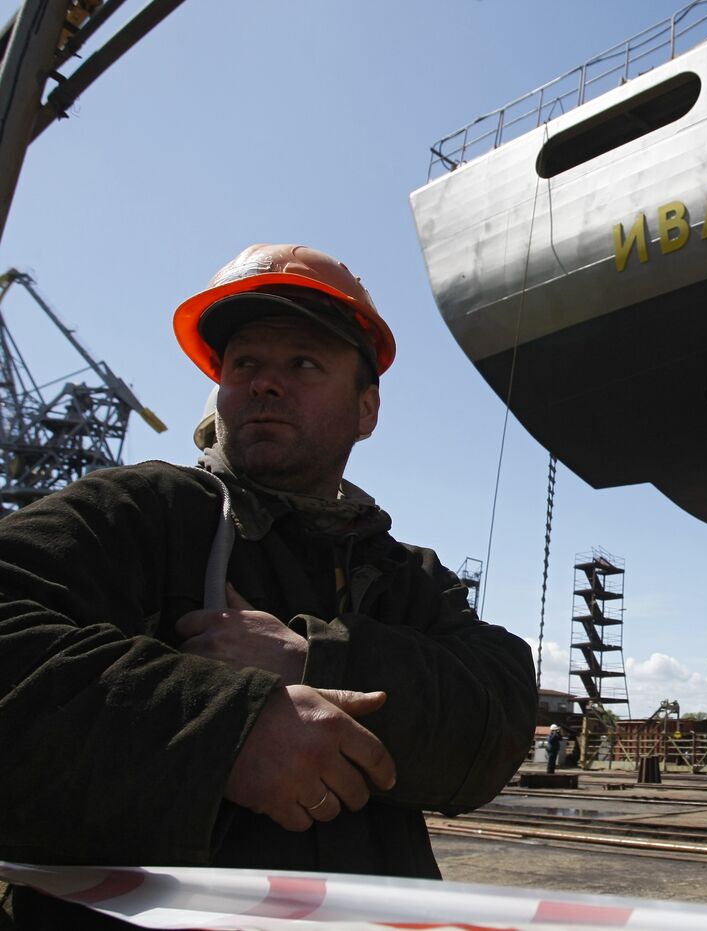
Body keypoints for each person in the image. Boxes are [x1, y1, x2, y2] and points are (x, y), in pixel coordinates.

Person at [0, 243, 537, 929]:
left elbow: (497, 722)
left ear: (366, 409)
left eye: (303, 363)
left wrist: (310, 658)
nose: (265, 383)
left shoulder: (406, 577)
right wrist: (228, 729)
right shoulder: (145, 514)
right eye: (244, 363)